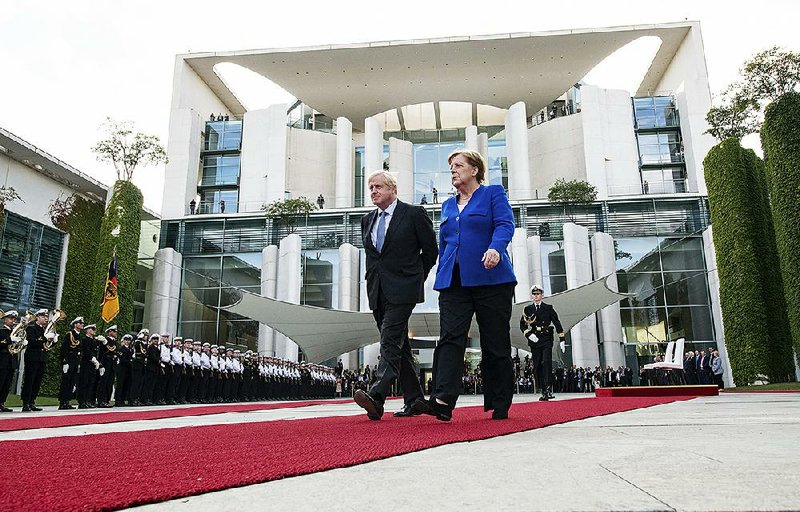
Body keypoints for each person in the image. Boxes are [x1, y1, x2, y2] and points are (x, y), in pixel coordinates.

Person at [414, 149, 516, 421]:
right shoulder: (448, 205)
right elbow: (445, 242)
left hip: (491, 278)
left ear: (474, 170)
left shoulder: (493, 193)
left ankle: (500, 401)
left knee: (495, 341)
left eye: (458, 165)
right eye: (451, 167)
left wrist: (496, 248)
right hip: (453, 282)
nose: (453, 170)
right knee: (450, 338)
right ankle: (443, 399)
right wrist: (437, 272)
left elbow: (505, 225)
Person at [353, 170, 438, 420]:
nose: (373, 191)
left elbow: (431, 251)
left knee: (389, 340)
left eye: (378, 186)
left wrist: (414, 278)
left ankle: (377, 395)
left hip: (404, 289)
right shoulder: (367, 220)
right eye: (370, 187)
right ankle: (415, 400)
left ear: (393, 189)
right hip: (377, 289)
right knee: (400, 347)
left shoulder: (413, 214)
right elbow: (374, 257)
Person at [520, 285, 565, 401]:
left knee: (546, 362)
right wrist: (529, 334)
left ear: (542, 295)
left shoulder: (548, 308)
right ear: (532, 296)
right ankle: (543, 389)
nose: (536, 296)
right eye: (534, 294)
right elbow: (522, 325)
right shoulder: (527, 309)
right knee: (537, 365)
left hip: (546, 338)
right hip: (534, 339)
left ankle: (548, 389)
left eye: (538, 294)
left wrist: (562, 339)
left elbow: (556, 322)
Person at [21, 309, 54, 412]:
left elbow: (46, 346)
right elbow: (32, 342)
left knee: (37, 381)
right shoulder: (31, 328)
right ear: (38, 317)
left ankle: (32, 401)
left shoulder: (44, 330)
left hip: (41, 358)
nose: (45, 318)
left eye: (46, 317)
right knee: (29, 380)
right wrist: (45, 338)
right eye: (43, 316)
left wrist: (53, 341)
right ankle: (26, 402)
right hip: (32, 358)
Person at [58, 317, 84, 409]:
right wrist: (64, 362)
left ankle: (67, 401)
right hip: (69, 360)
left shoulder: (79, 336)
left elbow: (80, 350)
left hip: (75, 361)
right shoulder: (69, 334)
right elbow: (64, 349)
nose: (82, 324)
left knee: (72, 382)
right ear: (75, 324)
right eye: (80, 323)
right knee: (66, 381)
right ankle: (62, 402)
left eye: (82, 323)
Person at [0, 310, 19, 412]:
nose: (13, 321)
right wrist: (9, 340)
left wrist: (22, 343)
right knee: (1, 382)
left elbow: (17, 347)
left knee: (7, 385)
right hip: (3, 361)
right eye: (11, 319)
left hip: (12, 361)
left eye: (14, 319)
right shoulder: (1, 331)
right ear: (5, 319)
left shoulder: (14, 331)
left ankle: (2, 403)